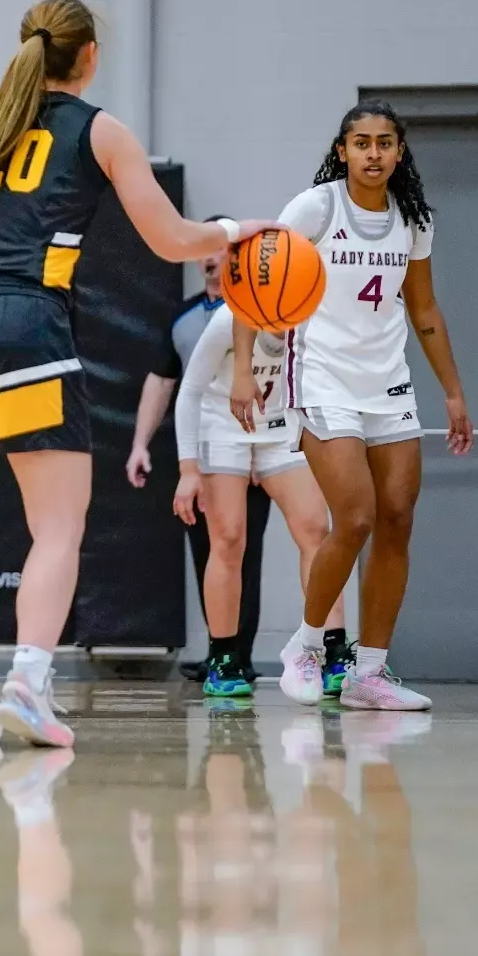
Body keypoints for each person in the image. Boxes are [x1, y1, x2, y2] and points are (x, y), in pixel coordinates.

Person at [0, 0, 281, 748]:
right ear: (89, 57)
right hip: (27, 317)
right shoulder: (103, 132)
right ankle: (27, 687)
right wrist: (234, 229)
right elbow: (171, 241)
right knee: (57, 527)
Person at [233, 99, 473, 712]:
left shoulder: (413, 218)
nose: (373, 153)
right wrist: (242, 370)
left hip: (387, 383)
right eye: (361, 142)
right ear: (342, 150)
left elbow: (423, 311)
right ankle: (307, 647)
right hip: (322, 379)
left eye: (384, 142)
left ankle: (370, 671)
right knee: (357, 517)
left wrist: (452, 392)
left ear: (399, 151)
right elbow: (249, 282)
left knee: (397, 519)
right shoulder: (316, 208)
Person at [126, 222, 282, 685]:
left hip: (257, 448)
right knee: (209, 550)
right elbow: (164, 381)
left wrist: (268, 448)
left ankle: (242, 657)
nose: (213, 258)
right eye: (206, 250)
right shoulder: (183, 318)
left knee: (242, 550)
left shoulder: (267, 309)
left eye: (223, 248)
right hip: (204, 452)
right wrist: (140, 443)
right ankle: (222, 650)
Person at [171, 300, 347, 698]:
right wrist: (188, 470)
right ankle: (224, 659)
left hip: (278, 427)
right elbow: (190, 391)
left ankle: (333, 652)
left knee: (315, 529)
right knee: (229, 539)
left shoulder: (313, 317)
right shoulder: (225, 320)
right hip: (223, 426)